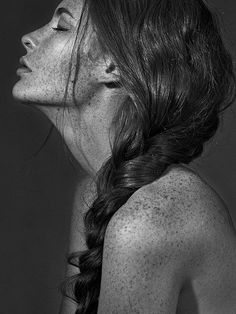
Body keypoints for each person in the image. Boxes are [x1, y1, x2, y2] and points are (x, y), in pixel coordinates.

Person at [12, 0, 236, 313]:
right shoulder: (95, 194)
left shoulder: (150, 216)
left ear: (112, 65)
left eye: (61, 27)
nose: (28, 37)